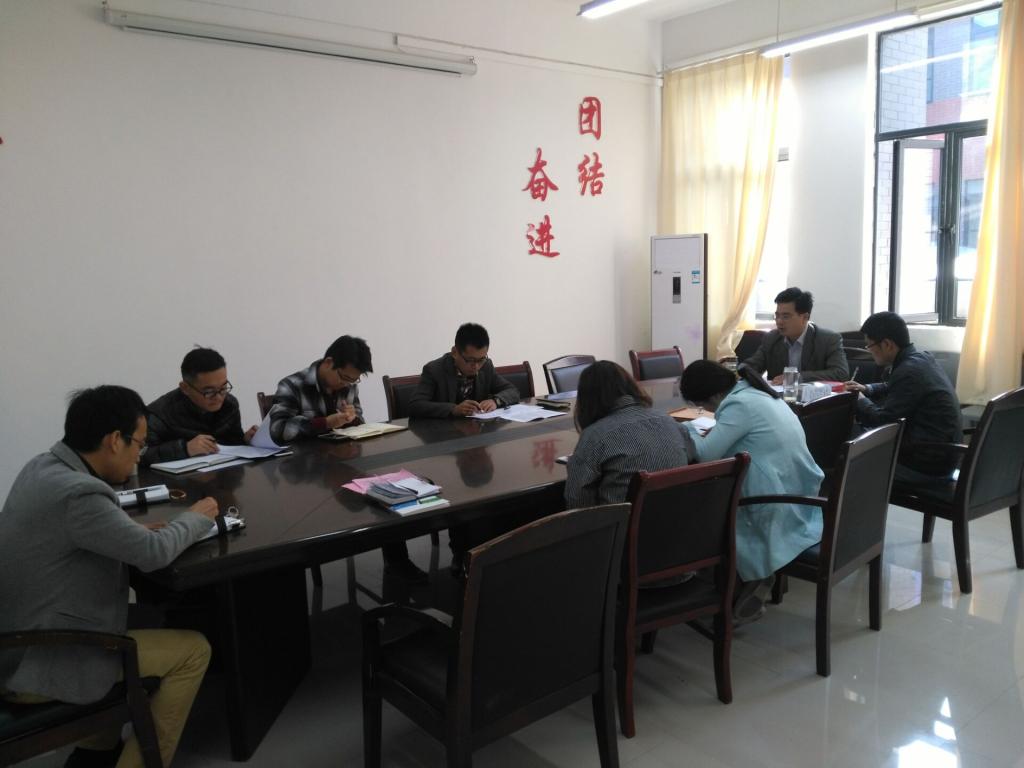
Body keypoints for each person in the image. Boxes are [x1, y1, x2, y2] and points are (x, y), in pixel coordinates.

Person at [0, 385, 219, 768]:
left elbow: (74, 533)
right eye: (139, 444)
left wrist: (128, 532)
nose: (139, 455)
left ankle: (96, 751)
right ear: (115, 440)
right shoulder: (80, 494)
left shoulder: (44, 466)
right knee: (193, 650)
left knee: (150, 615)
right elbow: (152, 554)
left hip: (17, 638)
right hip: (42, 658)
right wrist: (196, 519)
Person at [268, 335, 426, 582]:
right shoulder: (292, 385)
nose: (347, 384)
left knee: (383, 496)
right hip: (304, 475)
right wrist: (323, 423)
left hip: (344, 464)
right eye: (344, 378)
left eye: (353, 380)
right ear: (329, 362)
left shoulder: (349, 384)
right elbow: (278, 430)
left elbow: (359, 421)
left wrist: (352, 418)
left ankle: (397, 561)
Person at [680, 361, 825, 621]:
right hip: (799, 491)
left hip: (773, 501)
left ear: (715, 395)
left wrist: (686, 428)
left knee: (698, 506)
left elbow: (705, 456)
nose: (708, 412)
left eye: (703, 406)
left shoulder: (739, 405)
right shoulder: (756, 392)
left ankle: (731, 579)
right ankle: (736, 578)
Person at [845, 311, 962, 485]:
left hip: (927, 464)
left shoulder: (908, 372)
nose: (868, 350)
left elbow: (882, 423)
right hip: (942, 454)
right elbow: (893, 385)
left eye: (869, 345)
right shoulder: (921, 358)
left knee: (848, 454)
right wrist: (867, 389)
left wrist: (860, 399)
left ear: (887, 344)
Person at [565, 361, 691, 508]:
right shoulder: (669, 421)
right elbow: (691, 456)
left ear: (586, 400)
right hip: (678, 517)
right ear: (631, 385)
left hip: (623, 522)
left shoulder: (595, 435)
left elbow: (577, 501)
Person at [143, 346, 257, 466]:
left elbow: (233, 444)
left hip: (223, 473)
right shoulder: (159, 414)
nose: (219, 397)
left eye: (223, 388)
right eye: (209, 391)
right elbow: (142, 455)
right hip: (180, 477)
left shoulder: (229, 405)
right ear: (185, 388)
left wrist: (246, 440)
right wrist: (185, 448)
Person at [407, 323, 521, 418]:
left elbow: (512, 391)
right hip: (444, 433)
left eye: (481, 360)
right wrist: (453, 409)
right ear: (455, 352)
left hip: (478, 431)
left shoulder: (486, 366)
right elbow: (415, 405)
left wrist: (496, 401)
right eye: (470, 360)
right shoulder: (434, 370)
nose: (476, 366)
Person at [743, 287, 849, 383]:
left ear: (805, 317)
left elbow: (841, 373)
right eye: (777, 316)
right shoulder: (771, 338)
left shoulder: (828, 340)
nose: (779, 321)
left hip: (815, 397)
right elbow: (752, 366)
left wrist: (796, 377)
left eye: (786, 316)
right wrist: (737, 370)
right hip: (777, 397)